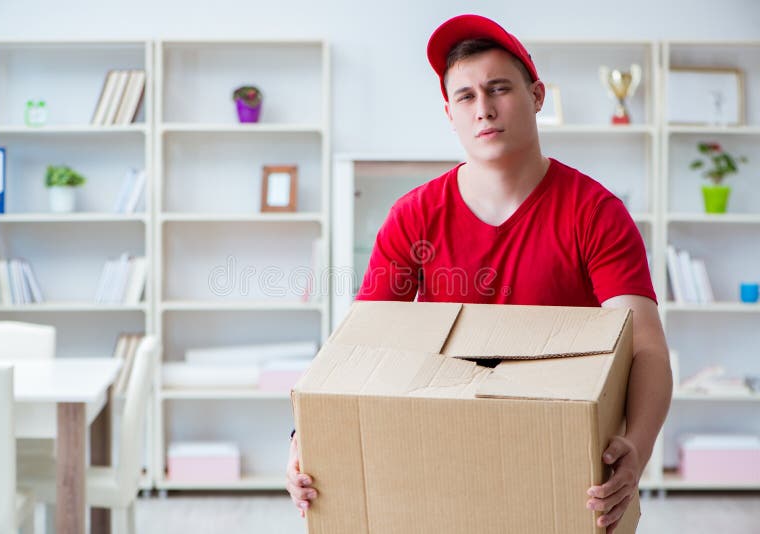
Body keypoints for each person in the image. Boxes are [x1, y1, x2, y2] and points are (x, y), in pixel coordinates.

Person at [287, 13, 672, 533]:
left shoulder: (594, 212)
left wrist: (638, 448)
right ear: (449, 112)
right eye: (465, 96)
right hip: (439, 463)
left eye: (499, 88)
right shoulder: (414, 215)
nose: (484, 109)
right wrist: (302, 439)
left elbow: (645, 344)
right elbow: (362, 347)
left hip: (562, 470)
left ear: (537, 96)